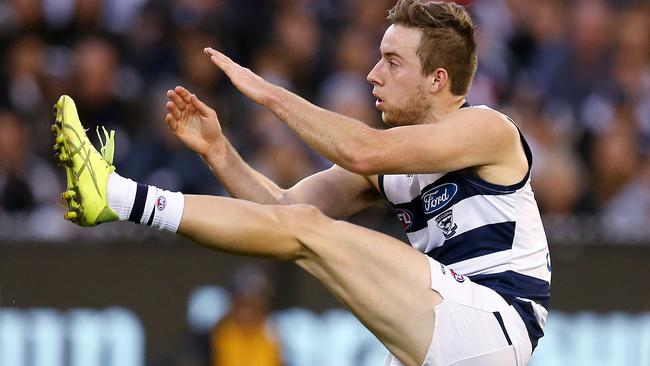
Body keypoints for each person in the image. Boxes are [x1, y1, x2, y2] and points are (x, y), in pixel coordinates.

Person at [52, 1, 551, 365]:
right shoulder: (390, 163)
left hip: (491, 320)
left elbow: (360, 150)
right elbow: (283, 214)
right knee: (303, 225)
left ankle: (118, 196)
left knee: (311, 229)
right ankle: (116, 196)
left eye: (393, 62)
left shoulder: (488, 128)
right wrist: (219, 152)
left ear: (438, 80)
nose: (373, 74)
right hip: (446, 324)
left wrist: (269, 93)